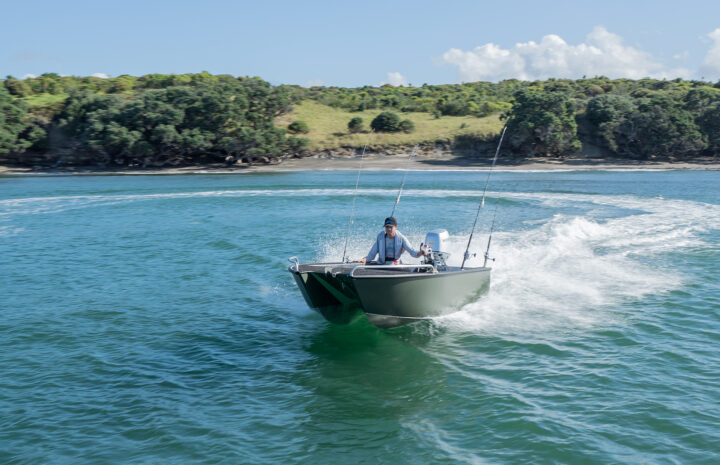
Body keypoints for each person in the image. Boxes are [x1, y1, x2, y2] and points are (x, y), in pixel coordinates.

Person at [357, 216, 426, 265]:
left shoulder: (401, 238)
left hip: (395, 265)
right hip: (381, 265)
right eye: (387, 227)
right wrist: (364, 259)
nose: (389, 229)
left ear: (396, 227)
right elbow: (371, 255)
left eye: (391, 227)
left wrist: (421, 252)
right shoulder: (381, 238)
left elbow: (412, 252)